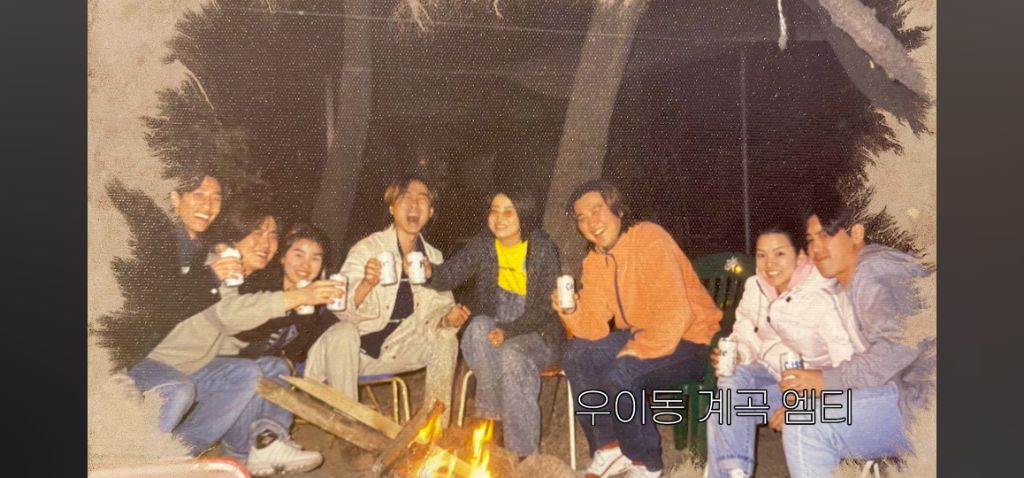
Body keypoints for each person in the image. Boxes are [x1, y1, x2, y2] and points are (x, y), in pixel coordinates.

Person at [142, 202, 340, 476]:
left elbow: (238, 338)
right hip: (155, 362)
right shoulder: (218, 264)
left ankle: (254, 448)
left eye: (272, 235)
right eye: (256, 232)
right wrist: (298, 298)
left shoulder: (249, 277)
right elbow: (230, 316)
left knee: (267, 368)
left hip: (197, 364)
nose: (265, 242)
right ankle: (160, 461)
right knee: (201, 384)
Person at [551, 180, 723, 478]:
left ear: (618, 210)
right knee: (577, 353)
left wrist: (638, 349)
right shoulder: (595, 260)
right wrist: (572, 311)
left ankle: (646, 464)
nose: (591, 222)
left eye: (597, 210)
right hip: (644, 335)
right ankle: (609, 447)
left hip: (692, 339)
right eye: (581, 217)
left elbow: (677, 313)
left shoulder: (649, 238)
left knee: (623, 370)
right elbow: (594, 328)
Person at [764, 207, 933, 478]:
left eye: (825, 235)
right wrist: (818, 390)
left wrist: (824, 382)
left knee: (805, 425)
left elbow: (896, 348)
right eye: (810, 239)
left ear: (856, 233)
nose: (816, 248)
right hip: (900, 393)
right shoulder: (844, 287)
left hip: (922, 398)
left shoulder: (873, 271)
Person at [304, 174, 468, 426]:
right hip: (353, 355)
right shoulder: (368, 248)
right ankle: (350, 427)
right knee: (343, 332)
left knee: (446, 338)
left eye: (422, 199)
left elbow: (439, 308)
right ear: (392, 208)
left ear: (430, 211)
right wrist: (367, 284)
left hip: (400, 349)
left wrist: (447, 319)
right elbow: (340, 309)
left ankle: (436, 427)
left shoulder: (433, 256)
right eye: (405, 197)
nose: (414, 205)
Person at [705, 222, 856, 478]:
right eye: (761, 255)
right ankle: (734, 471)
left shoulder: (822, 297)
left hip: (816, 389)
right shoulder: (756, 286)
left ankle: (726, 469)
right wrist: (739, 353)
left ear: (800, 256)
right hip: (772, 375)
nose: (769, 264)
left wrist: (802, 403)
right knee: (730, 383)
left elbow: (848, 368)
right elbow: (746, 333)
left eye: (779, 253)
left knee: (723, 410)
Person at [100, 170, 243, 433]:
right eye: (198, 195)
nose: (207, 206)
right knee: (166, 394)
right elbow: (153, 307)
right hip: (110, 355)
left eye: (216, 198)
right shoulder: (150, 239)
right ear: (176, 199)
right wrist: (210, 277)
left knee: (238, 375)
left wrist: (220, 249)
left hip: (139, 356)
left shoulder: (195, 246)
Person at [428, 188, 565, 458]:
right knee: (476, 329)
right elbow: (450, 274)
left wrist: (509, 331)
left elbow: (545, 308)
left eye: (508, 212)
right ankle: (493, 420)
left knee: (512, 355)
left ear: (524, 215)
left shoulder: (542, 249)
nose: (499, 219)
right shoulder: (484, 244)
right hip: (498, 324)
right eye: (494, 210)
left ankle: (522, 455)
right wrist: (427, 271)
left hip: (538, 333)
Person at [227, 223, 342, 366]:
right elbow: (244, 334)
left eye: (315, 259)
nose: (306, 265)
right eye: (298, 255)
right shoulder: (260, 285)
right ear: (282, 257)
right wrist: (291, 302)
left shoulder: (314, 299)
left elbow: (300, 351)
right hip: (235, 361)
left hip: (271, 365)